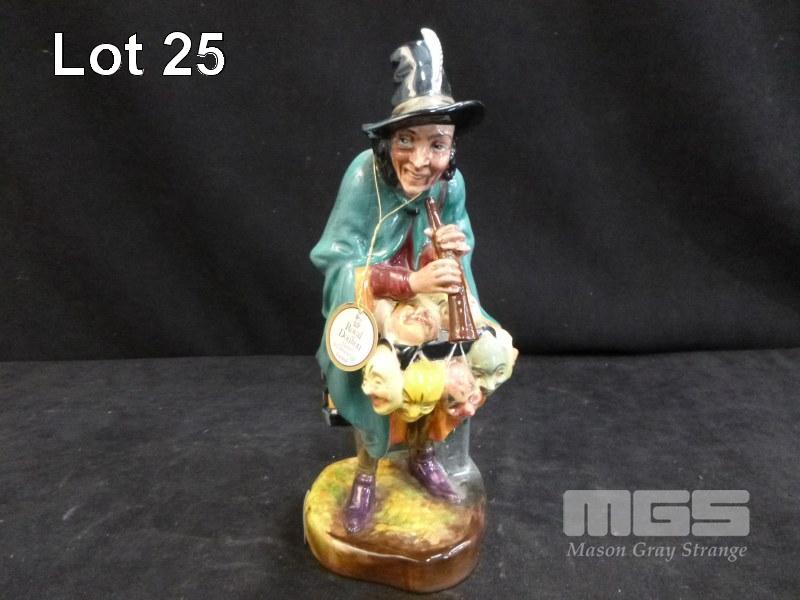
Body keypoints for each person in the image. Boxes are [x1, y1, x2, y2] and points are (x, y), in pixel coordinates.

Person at [310, 28, 485, 533]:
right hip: (377, 307)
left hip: (429, 306)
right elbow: (338, 260)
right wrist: (408, 283)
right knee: (382, 384)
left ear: (451, 148)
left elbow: (459, 252)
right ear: (388, 141)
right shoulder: (364, 177)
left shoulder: (449, 185)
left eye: (437, 144)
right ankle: (367, 472)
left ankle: (424, 454)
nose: (420, 159)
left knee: (460, 364)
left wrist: (450, 253)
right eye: (406, 140)